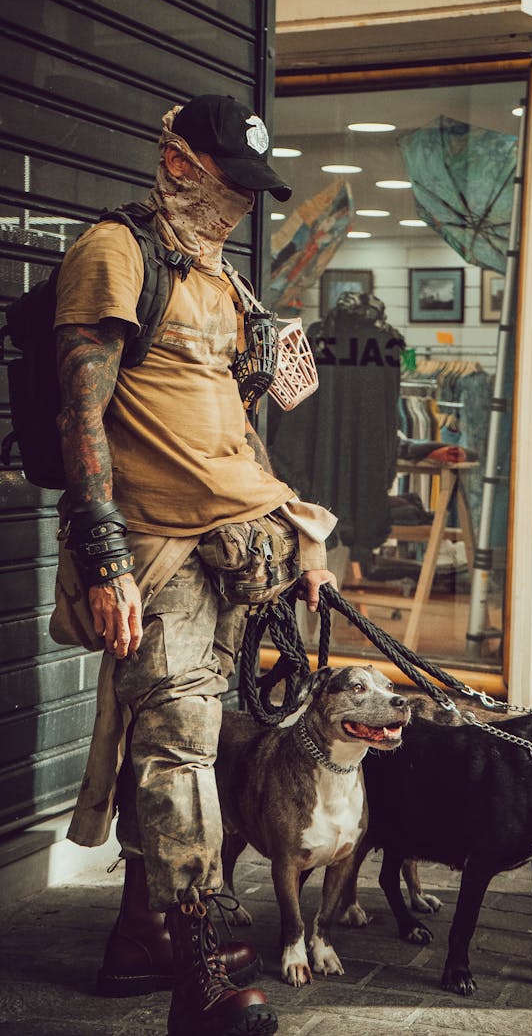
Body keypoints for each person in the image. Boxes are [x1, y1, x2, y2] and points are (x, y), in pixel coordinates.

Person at [54, 94, 337, 1036]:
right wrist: (101, 557)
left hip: (238, 552)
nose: (244, 206)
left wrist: (298, 539)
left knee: (196, 748)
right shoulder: (115, 252)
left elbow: (227, 425)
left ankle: (142, 936)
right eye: (231, 183)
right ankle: (203, 967)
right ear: (178, 162)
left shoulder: (223, 282)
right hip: (155, 552)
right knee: (176, 746)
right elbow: (80, 414)